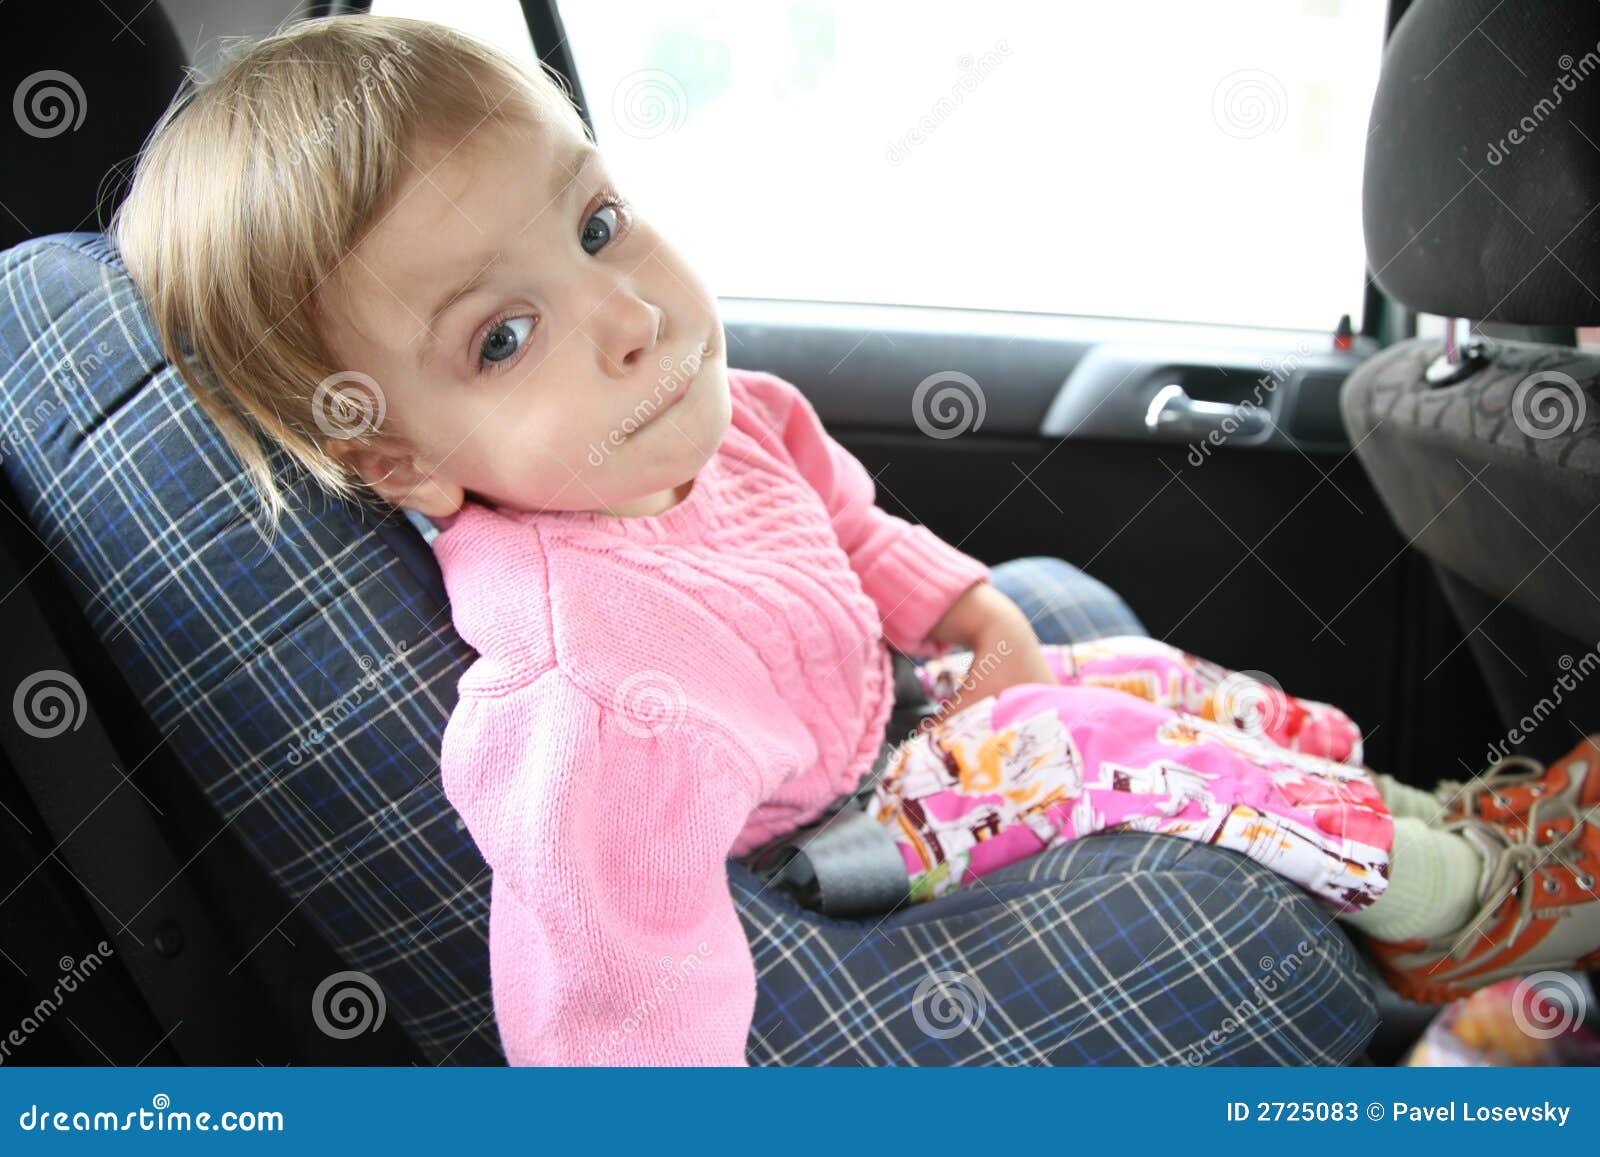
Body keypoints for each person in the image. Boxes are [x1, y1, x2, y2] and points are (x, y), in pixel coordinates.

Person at [109, 14, 1599, 1066]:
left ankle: (1425, 816)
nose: (629, 320)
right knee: (1090, 734)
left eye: (599, 226)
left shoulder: (727, 415)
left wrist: (965, 614)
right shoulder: (576, 688)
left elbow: (845, 518)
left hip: (892, 726)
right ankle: (1453, 914)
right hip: (829, 847)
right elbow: (603, 994)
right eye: (505, 336)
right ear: (399, 456)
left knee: (1142, 668)